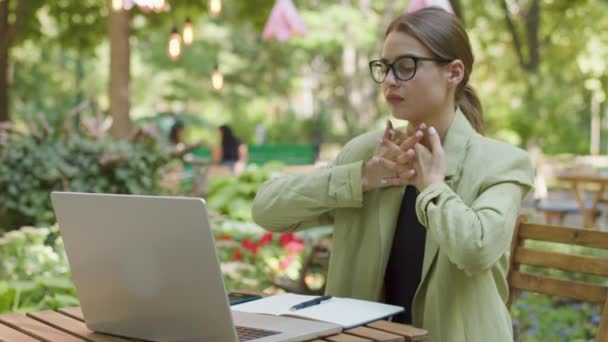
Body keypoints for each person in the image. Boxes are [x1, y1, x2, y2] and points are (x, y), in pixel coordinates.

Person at [252, 7, 534, 342]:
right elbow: (266, 211)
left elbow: (476, 250)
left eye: (405, 67)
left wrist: (431, 188)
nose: (389, 80)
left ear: (454, 72)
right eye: (384, 68)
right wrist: (361, 178)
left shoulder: (502, 162)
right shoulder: (367, 155)